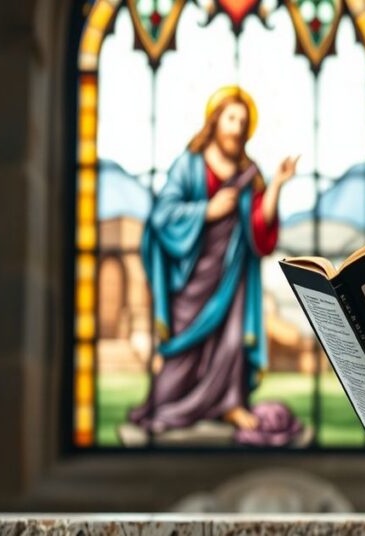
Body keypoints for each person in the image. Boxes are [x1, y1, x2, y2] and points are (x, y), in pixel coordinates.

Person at [129, 85, 300, 442]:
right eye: (231, 118)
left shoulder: (249, 172)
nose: (237, 128)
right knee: (182, 357)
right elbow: (162, 216)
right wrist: (207, 211)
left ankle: (230, 402)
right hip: (190, 278)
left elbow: (258, 225)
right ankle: (168, 405)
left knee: (233, 340)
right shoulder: (189, 165)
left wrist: (278, 185)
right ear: (215, 121)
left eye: (244, 121)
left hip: (232, 277)